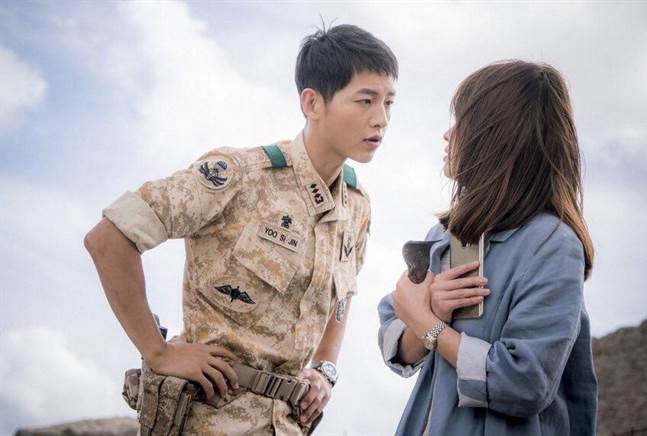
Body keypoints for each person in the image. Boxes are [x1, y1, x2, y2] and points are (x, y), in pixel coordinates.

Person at [85, 24, 397, 435]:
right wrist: (157, 352)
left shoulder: (356, 205)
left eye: (389, 102)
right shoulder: (241, 176)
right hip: (207, 419)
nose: (381, 119)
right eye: (365, 101)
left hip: (286, 425)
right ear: (313, 103)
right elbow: (109, 239)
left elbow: (343, 296)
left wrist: (325, 367)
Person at [378, 60, 598, 435]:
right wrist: (427, 314)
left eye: (461, 122)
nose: (447, 135)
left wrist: (429, 325)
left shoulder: (553, 245)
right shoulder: (444, 237)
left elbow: (524, 382)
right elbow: (397, 342)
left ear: (494, 136)